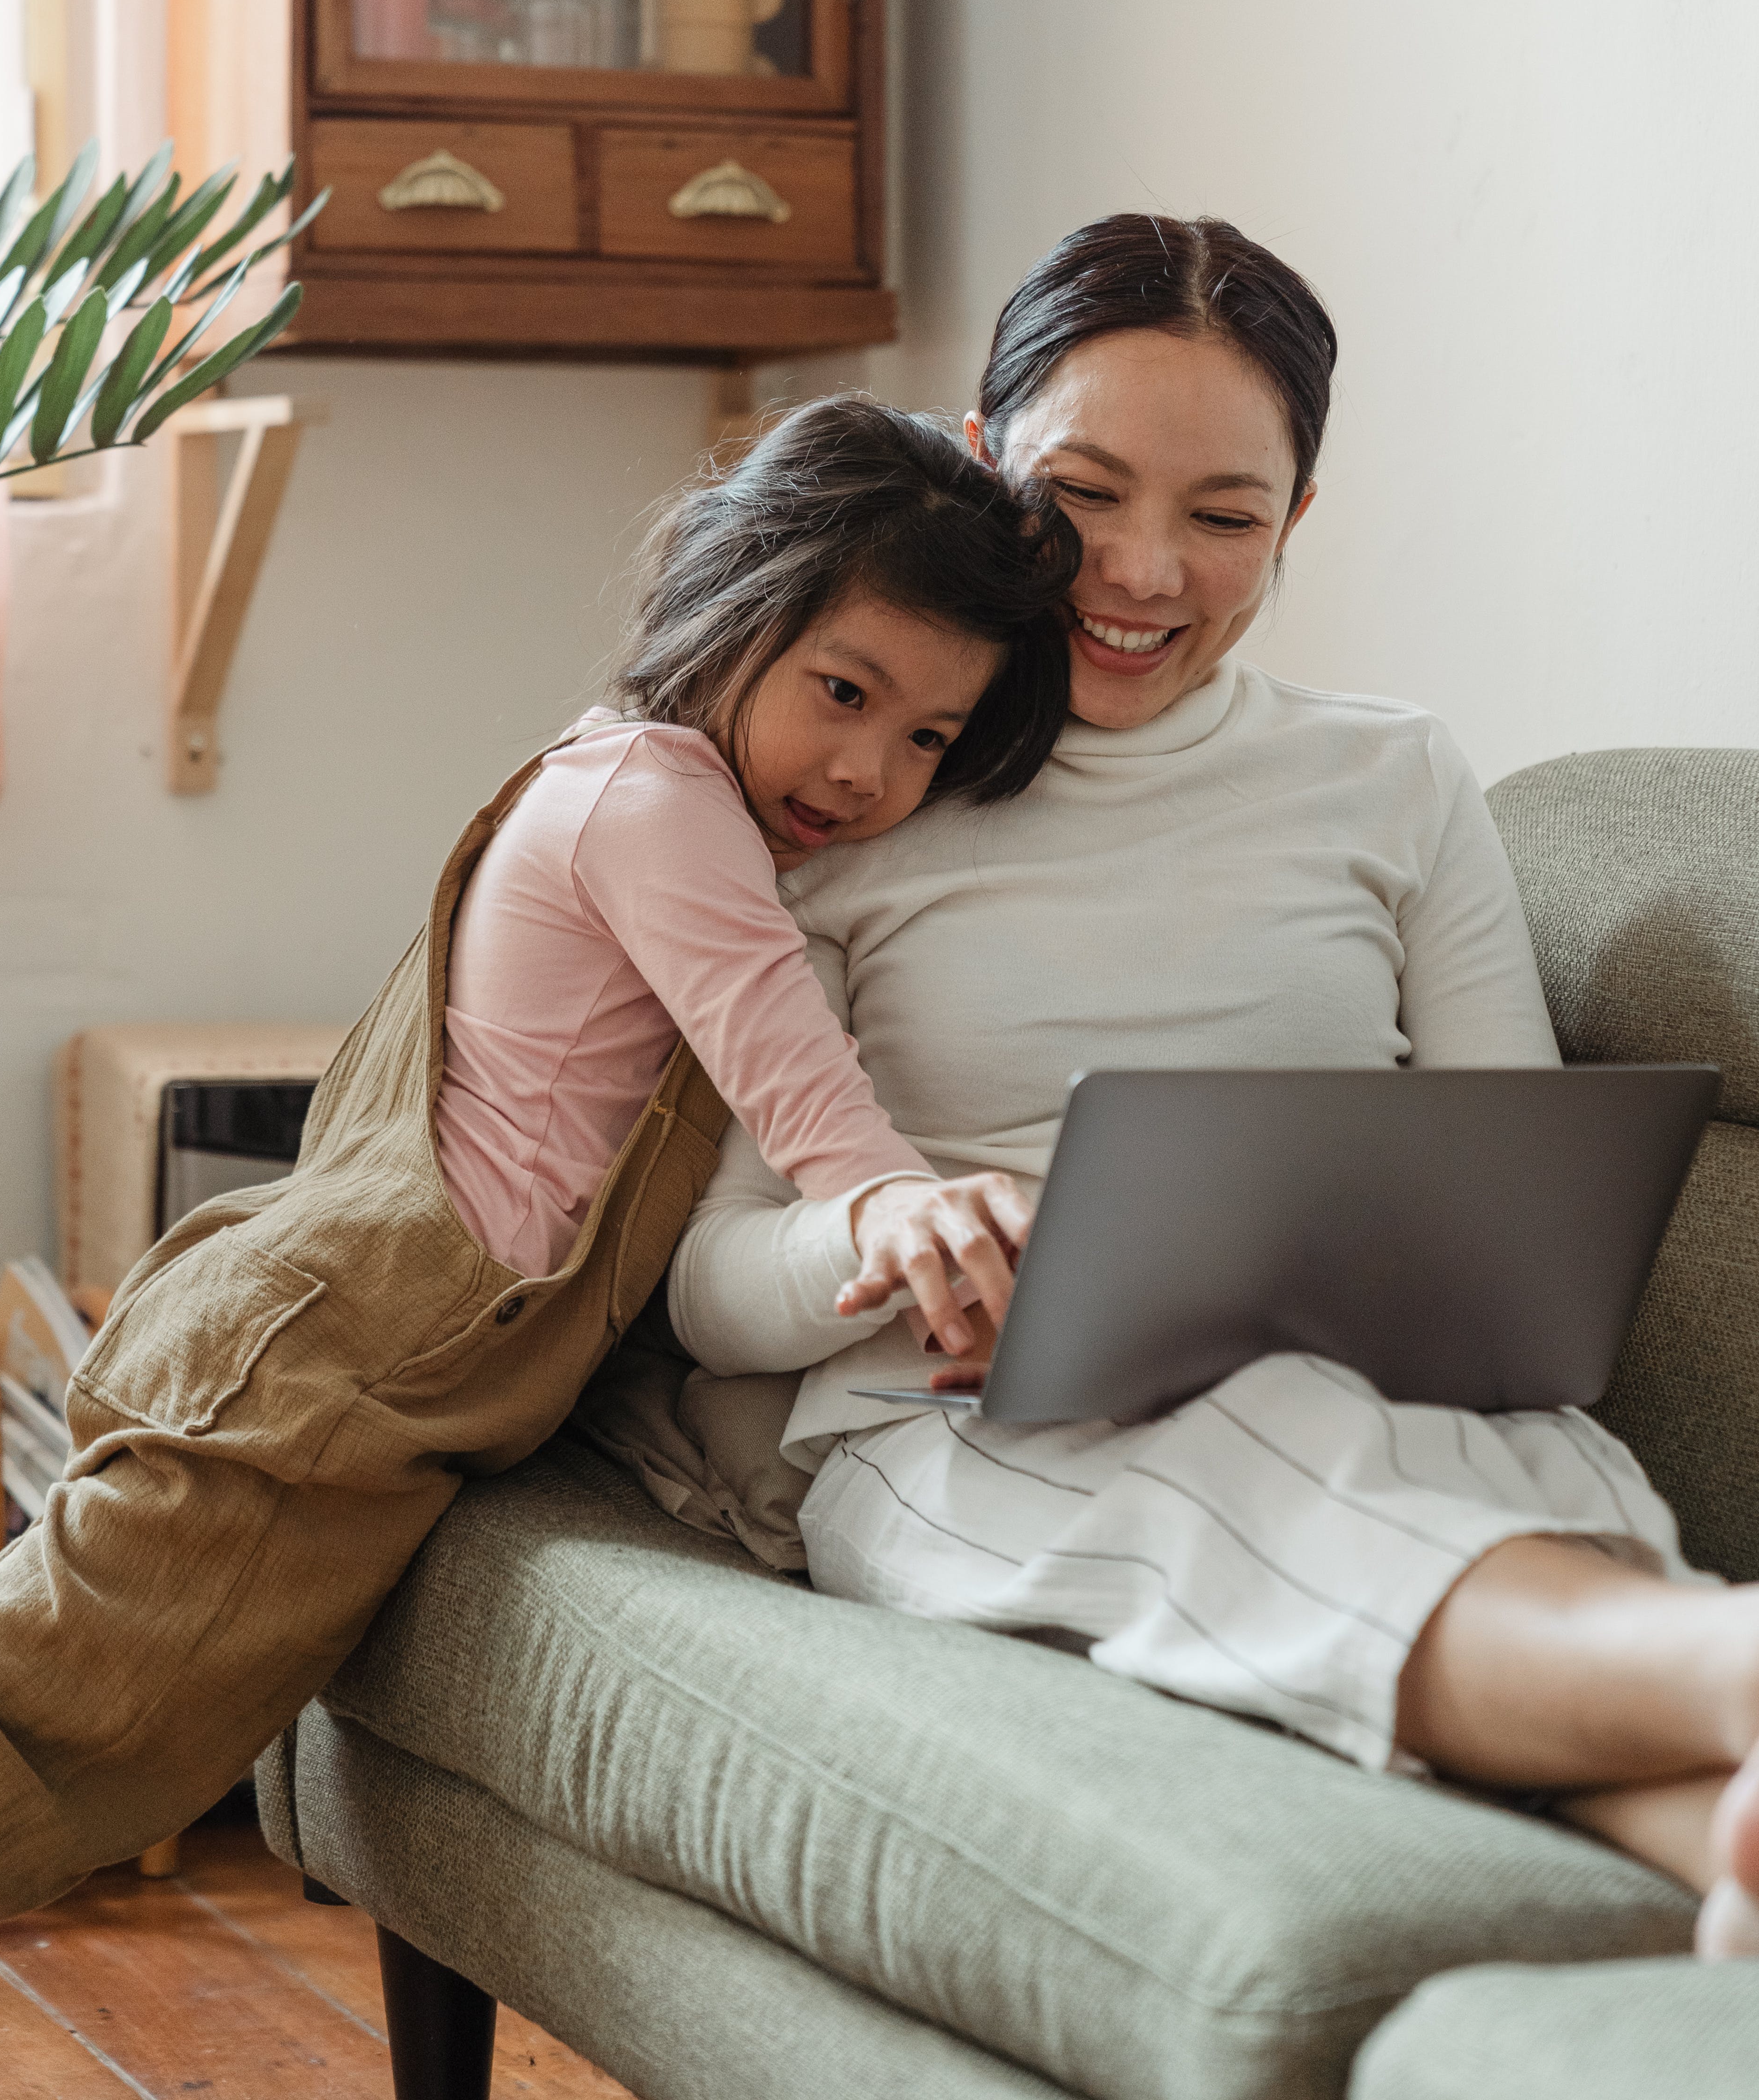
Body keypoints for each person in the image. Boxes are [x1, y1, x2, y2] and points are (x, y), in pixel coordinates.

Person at [667, 215, 1759, 1960]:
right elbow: (712, 1291)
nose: (1140, 573)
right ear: (977, 459)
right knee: (1280, 1455)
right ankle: (1730, 1668)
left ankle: (1718, 1828)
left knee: (1414, 1459)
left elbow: (1522, 1191)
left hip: (1399, 1391)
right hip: (970, 1428)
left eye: (1224, 518)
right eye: (1080, 495)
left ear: (1294, 524)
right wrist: (892, 1230)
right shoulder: (862, 789)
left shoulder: (1391, 779)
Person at [0, 399, 1078, 1924]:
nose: (867, 769)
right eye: (843, 690)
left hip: (378, 1375)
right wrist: (901, 1204)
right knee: (46, 1712)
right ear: (729, 602)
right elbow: (791, 1071)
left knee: (91, 1733)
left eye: (926, 739)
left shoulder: (637, 789)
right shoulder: (657, 804)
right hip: (338, 1367)